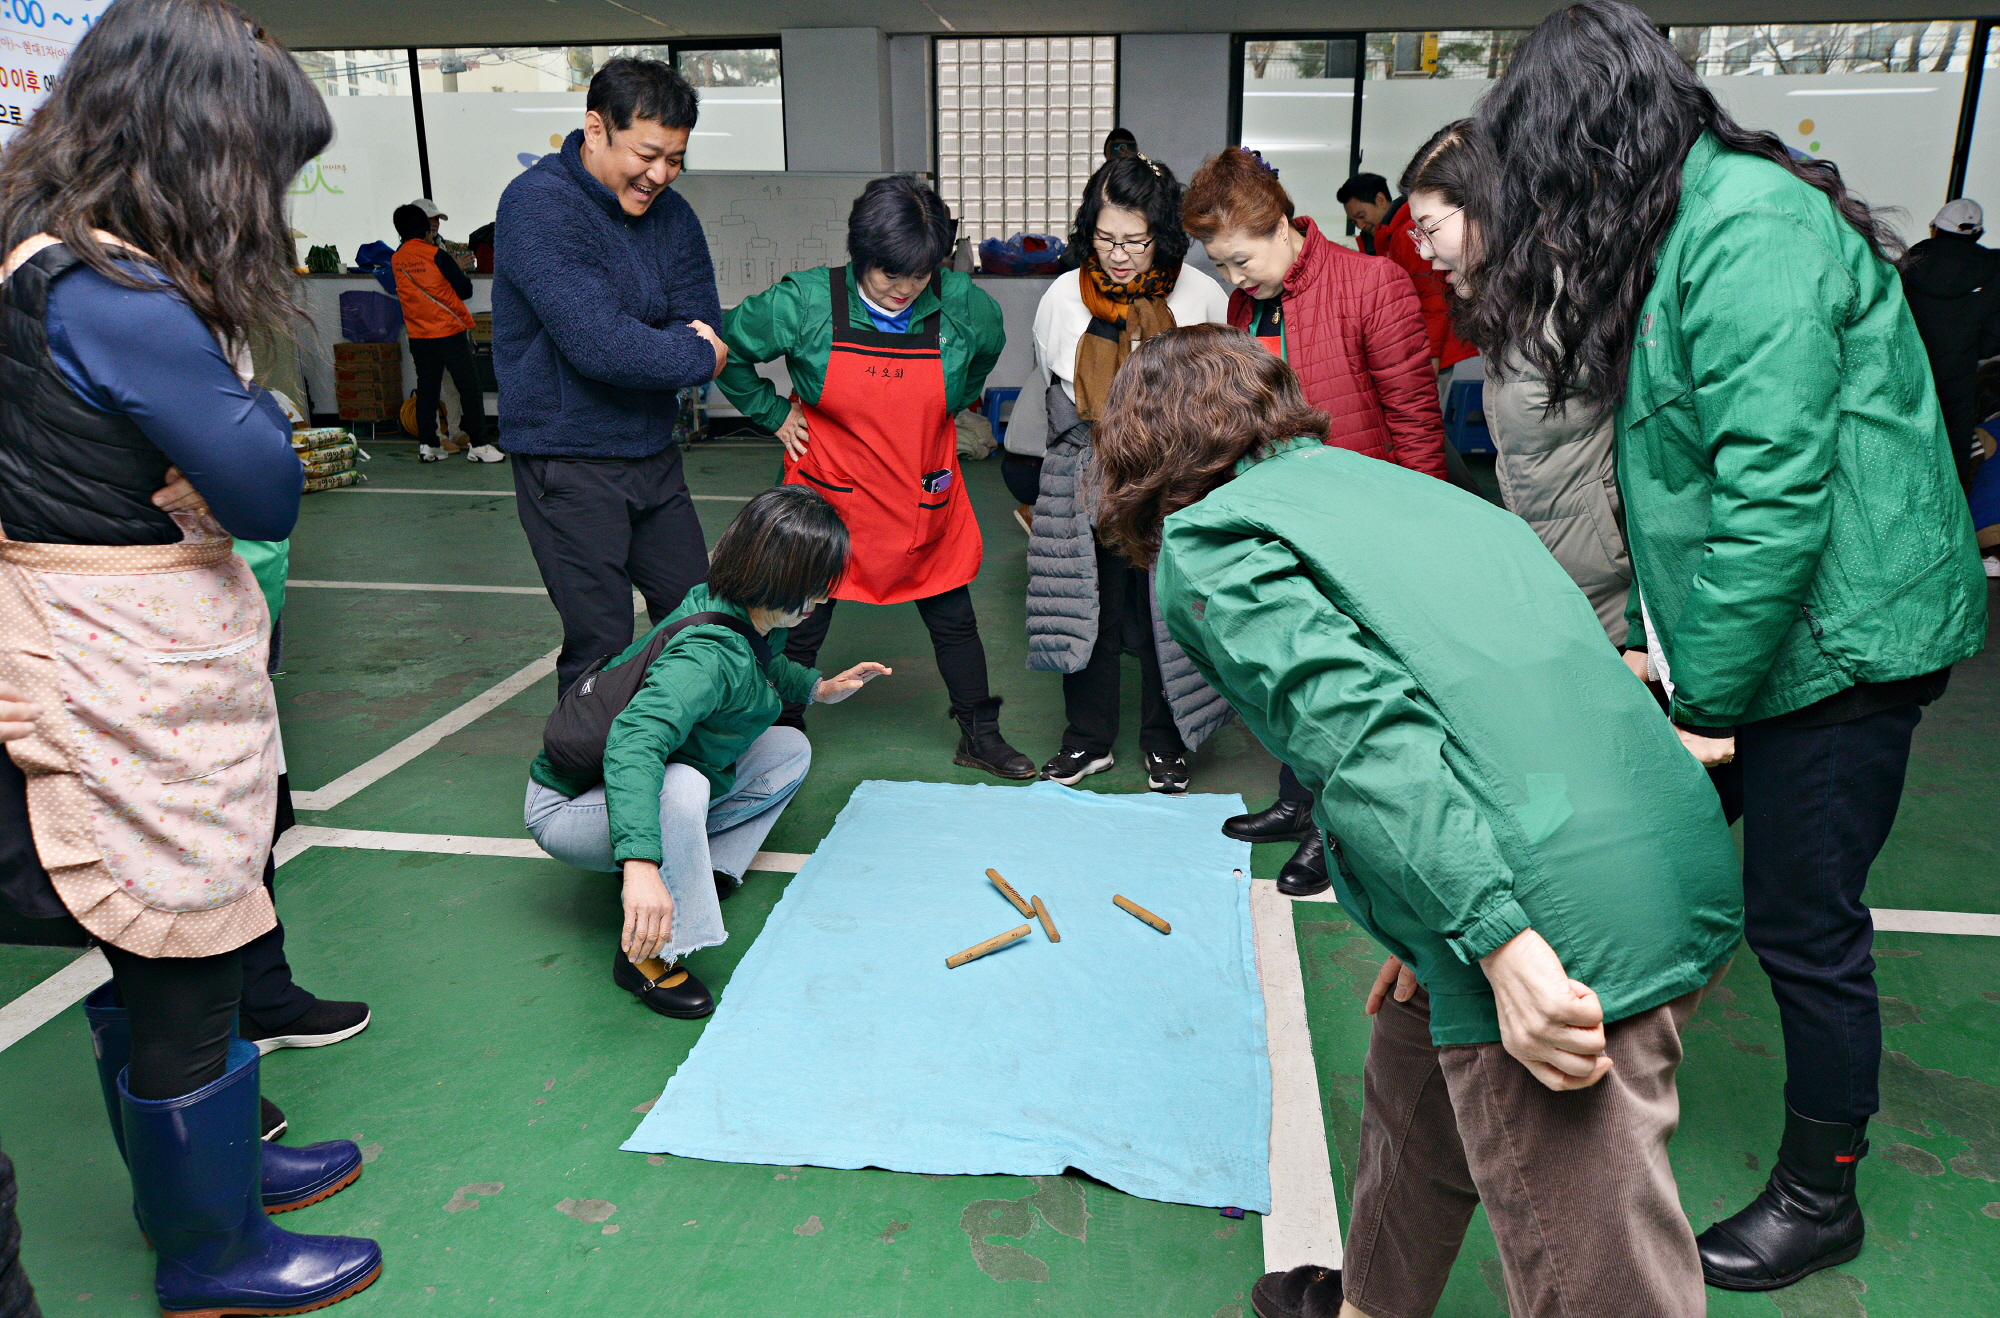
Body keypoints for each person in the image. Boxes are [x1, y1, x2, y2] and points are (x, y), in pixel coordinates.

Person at [1473, 2, 1988, 1292]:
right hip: (1779, 629)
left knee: (1801, 920)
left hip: (1843, 642)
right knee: (1656, 833)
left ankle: (1824, 1193)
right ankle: (1593, 1071)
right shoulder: (1687, 219)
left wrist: (1697, 690)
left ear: (1591, 139)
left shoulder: (1747, 229)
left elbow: (1770, 497)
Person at [1094, 324, 1741, 1318]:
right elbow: (1506, 684)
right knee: (1412, 1069)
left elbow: (1364, 737)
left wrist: (1492, 932)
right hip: (1654, 840)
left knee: (1603, 1284)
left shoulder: (1213, 541)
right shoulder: (1398, 488)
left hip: (1556, 908)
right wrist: (1428, 915)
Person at [0, 1, 382, 1312]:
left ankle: (221, 1181)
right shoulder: (112, 291)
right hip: (118, 667)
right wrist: (249, 431)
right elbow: (265, 481)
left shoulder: (39, 250)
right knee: (177, 944)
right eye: (268, 165)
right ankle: (212, 1253)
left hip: (91, 639)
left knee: (162, 929)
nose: (274, 197)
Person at [1181, 146, 1447, 898]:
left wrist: (1416, 536)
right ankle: (1299, 802)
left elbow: (1415, 424)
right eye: (1221, 264)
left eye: (1239, 259)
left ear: (1278, 225)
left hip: (1359, 524)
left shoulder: (1373, 283)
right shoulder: (1245, 305)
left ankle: (1338, 832)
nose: (1232, 280)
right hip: (1278, 519)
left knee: (1350, 689)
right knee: (1294, 674)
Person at [525, 486, 890, 1016]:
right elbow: (632, 745)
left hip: (620, 785)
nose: (823, 599)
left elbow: (759, 666)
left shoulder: (743, 611)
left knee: (789, 747)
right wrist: (641, 865)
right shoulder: (703, 659)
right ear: (776, 579)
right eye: (813, 588)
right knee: (684, 787)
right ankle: (648, 952)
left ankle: (703, 871)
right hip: (567, 808)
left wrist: (819, 687)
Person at [716, 175, 1034, 779]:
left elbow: (986, 351)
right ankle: (782, 731)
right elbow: (726, 345)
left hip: (921, 493)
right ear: (860, 256)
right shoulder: (805, 303)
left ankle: (979, 733)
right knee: (802, 619)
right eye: (890, 276)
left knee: (954, 617)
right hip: (828, 495)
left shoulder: (963, 305)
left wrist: (947, 407)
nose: (905, 291)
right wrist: (772, 411)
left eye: (920, 276)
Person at [494, 56, 728, 696]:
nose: (660, 175)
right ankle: (574, 785)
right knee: (601, 642)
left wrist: (675, 346)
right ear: (596, 128)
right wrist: (692, 355)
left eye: (675, 159)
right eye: (648, 154)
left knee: (697, 619)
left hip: (651, 451)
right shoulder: (539, 207)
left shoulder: (671, 215)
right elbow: (601, 346)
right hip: (566, 459)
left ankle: (676, 756)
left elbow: (701, 316)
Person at [1023, 155, 1231, 793]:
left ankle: (1166, 742)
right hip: (1086, 473)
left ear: (1162, 235)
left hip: (1174, 477)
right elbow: (1053, 381)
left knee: (1164, 614)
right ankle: (1087, 741)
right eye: (1105, 238)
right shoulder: (1062, 295)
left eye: (1134, 241)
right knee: (1089, 606)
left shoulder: (1199, 295)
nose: (1118, 255)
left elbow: (1223, 395)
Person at [1399, 121, 1632, 642]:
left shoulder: (1569, 307)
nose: (1423, 251)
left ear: (1486, 206)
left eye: (1430, 228)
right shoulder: (1513, 310)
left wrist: (1640, 619)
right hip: (1571, 576)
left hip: (1616, 590)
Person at [1339, 172, 1477, 380]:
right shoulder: (1386, 240)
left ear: (1380, 200)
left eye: (1361, 215)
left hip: (1445, 354)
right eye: (1354, 220)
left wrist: (1432, 355)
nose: (1359, 225)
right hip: (1428, 350)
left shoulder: (1407, 235)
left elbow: (1434, 297)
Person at [1901, 198, 2000, 487]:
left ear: (1934, 229)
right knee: (1949, 473)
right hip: (1958, 385)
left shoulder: (1908, 263)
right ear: (1977, 233)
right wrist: (1966, 350)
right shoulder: (1994, 270)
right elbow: (1995, 337)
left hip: (1907, 377)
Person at [391, 201, 499, 463]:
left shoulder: (397, 259)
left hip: (419, 336)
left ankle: (429, 445)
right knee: (469, 388)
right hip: (449, 331)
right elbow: (465, 290)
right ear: (426, 229)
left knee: (427, 390)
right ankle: (479, 445)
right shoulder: (435, 255)